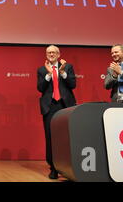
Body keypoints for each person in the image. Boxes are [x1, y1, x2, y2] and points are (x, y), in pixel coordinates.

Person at [37, 45, 76, 180]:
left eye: (53, 52)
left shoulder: (68, 67)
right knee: (50, 137)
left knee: (67, 137)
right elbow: (40, 88)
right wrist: (48, 74)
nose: (51, 54)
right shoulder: (42, 69)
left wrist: (63, 72)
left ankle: (68, 168)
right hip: (49, 106)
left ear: (59, 54)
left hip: (65, 105)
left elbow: (73, 84)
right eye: (49, 52)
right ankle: (53, 168)